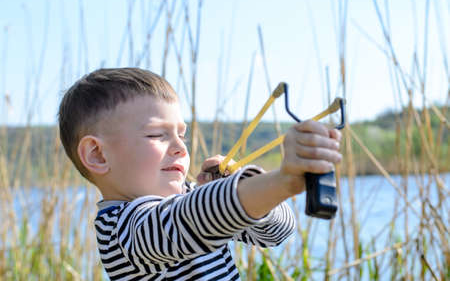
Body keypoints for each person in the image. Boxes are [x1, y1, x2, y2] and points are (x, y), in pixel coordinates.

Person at [58, 67, 342, 280]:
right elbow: (185, 221)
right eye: (157, 134)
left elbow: (276, 232)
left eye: (182, 135)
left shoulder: (197, 200)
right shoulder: (121, 230)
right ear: (97, 154)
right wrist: (282, 180)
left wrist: (251, 185)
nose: (181, 147)